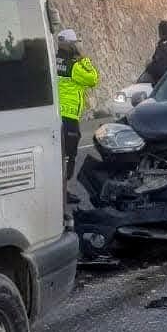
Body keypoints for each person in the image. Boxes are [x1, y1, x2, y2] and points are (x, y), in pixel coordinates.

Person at [56, 29, 99, 203]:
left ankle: (61, 193)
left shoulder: (56, 60)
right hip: (69, 115)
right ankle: (63, 194)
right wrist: (86, 61)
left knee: (60, 154)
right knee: (69, 157)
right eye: (76, 43)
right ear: (71, 44)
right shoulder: (75, 65)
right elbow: (93, 79)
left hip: (58, 114)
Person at [139, 20, 167, 86]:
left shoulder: (164, 46)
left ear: (162, 32)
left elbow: (160, 69)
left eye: (159, 31)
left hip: (165, 86)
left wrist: (149, 66)